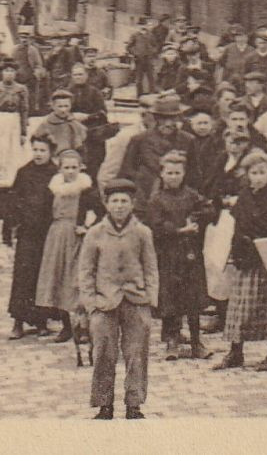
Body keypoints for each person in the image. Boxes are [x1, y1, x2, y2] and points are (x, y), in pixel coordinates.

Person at [78, 179, 159, 420]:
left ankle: (134, 404)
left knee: (136, 353)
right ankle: (104, 404)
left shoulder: (142, 233)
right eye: (115, 201)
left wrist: (150, 299)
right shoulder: (95, 233)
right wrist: (91, 304)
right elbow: (85, 271)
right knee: (104, 353)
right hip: (105, 302)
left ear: (133, 204)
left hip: (136, 300)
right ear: (106, 204)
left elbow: (151, 267)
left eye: (125, 201)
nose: (120, 206)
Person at [215, 150, 267, 372]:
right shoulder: (244, 197)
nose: (258, 177)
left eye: (263, 172)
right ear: (247, 174)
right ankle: (236, 352)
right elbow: (236, 223)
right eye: (254, 172)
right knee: (239, 307)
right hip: (245, 256)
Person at [143, 151, 216, 360]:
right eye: (169, 172)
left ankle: (196, 342)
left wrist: (195, 218)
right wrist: (178, 231)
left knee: (192, 298)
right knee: (170, 298)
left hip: (190, 254)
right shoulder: (157, 199)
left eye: (177, 172)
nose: (173, 176)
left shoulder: (192, 195)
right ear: (162, 174)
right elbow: (156, 225)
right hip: (168, 255)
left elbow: (209, 210)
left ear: (183, 174)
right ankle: (172, 341)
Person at [37, 148, 101, 342]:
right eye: (67, 167)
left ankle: (84, 327)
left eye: (75, 167)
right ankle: (66, 326)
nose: (71, 171)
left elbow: (99, 212)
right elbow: (44, 211)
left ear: (81, 168)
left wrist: (87, 226)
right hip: (57, 236)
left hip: (78, 236)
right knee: (59, 278)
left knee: (76, 280)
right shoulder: (53, 189)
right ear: (60, 169)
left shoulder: (87, 189)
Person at [7, 136, 58, 339]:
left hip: (47, 233)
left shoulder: (55, 174)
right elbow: (13, 199)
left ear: (50, 152)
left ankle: (41, 320)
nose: (38, 154)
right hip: (27, 232)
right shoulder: (24, 172)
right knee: (23, 274)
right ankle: (18, 321)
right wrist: (13, 223)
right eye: (35, 149)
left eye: (42, 150)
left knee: (43, 275)